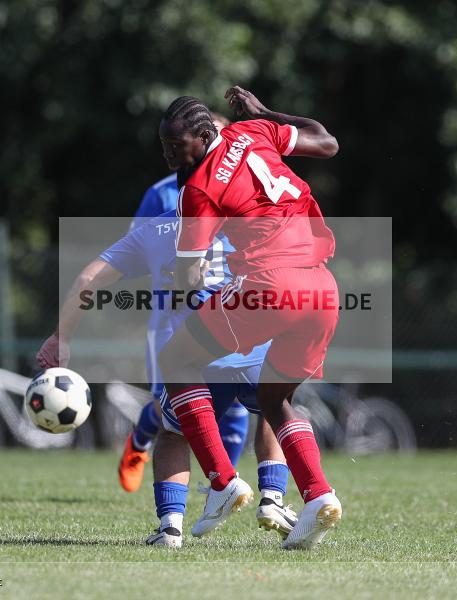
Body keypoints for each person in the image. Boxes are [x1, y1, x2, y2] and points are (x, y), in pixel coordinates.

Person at [35, 210, 297, 548]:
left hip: (196, 355)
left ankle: (171, 528)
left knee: (174, 434)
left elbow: (89, 280)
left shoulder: (154, 230)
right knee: (274, 411)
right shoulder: (253, 218)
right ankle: (272, 499)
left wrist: (62, 337)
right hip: (254, 346)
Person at [155, 87, 342, 549]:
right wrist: (265, 111)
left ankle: (222, 482)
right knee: (274, 399)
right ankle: (318, 496)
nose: (170, 156)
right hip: (322, 288)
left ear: (204, 135)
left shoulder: (198, 188)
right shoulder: (253, 130)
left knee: (176, 360)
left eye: (177, 147)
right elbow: (326, 141)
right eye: (164, 146)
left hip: (269, 284)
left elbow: (187, 273)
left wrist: (187, 280)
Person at [119, 114, 249, 494]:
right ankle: (140, 440)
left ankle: (219, 488)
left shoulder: (241, 188)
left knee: (234, 401)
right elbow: (136, 250)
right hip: (172, 315)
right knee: (169, 406)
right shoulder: (162, 192)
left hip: (225, 308)